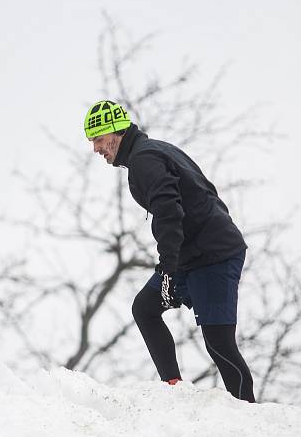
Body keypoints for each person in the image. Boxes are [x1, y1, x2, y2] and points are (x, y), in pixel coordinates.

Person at [84, 100, 256, 403]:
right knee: (145, 309)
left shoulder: (144, 160)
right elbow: (206, 191)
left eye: (98, 139)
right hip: (191, 257)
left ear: (116, 132)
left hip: (214, 256)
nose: (96, 149)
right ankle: (173, 390)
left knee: (219, 343)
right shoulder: (152, 151)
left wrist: (167, 267)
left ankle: (253, 418)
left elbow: (169, 210)